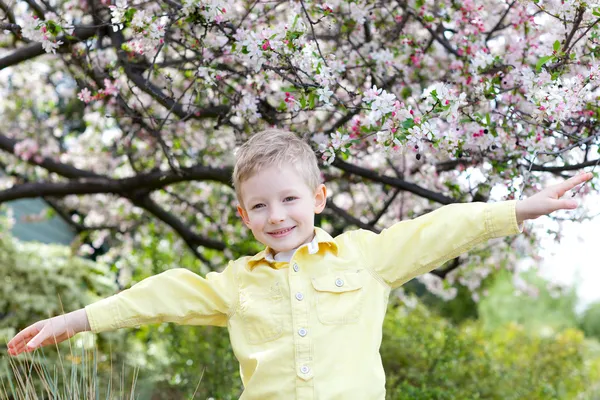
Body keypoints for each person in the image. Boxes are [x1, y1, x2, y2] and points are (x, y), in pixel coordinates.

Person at [6, 129, 593, 399]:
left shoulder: (367, 257)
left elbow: (442, 228)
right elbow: (160, 296)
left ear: (316, 199)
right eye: (259, 205)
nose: (276, 215)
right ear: (243, 216)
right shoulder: (234, 283)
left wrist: (522, 208)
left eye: (288, 199)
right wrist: (76, 319)